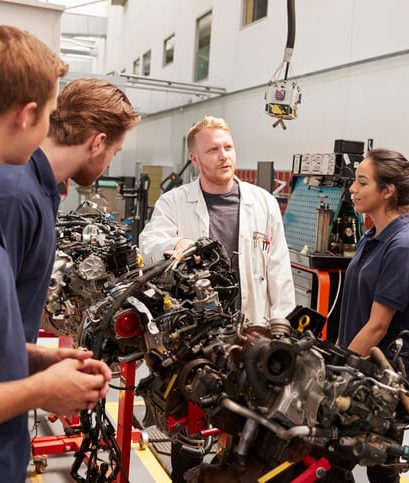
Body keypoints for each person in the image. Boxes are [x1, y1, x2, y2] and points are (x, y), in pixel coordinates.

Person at [139, 115, 295, 482]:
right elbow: (148, 244)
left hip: (251, 334)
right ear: (195, 159)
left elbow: (278, 269)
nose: (224, 156)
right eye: (213, 149)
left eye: (228, 147)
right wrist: (175, 244)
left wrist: (281, 325)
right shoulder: (175, 202)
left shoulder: (263, 202)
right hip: (196, 337)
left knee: (248, 428)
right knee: (190, 423)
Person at [0, 25, 111, 481]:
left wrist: (30, 359)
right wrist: (42, 388)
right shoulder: (13, 196)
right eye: (49, 113)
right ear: (27, 115)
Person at [0, 77, 140, 344]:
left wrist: (40, 361)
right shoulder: (17, 196)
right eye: (115, 152)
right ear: (98, 142)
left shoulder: (42, 191)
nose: (109, 164)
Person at [336, 148, 409, 483]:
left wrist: (336, 373)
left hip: (386, 385)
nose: (353, 189)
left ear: (387, 190)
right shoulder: (373, 235)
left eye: (362, 182)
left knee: (380, 475)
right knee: (331, 464)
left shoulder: (403, 246)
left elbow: (377, 327)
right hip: (362, 375)